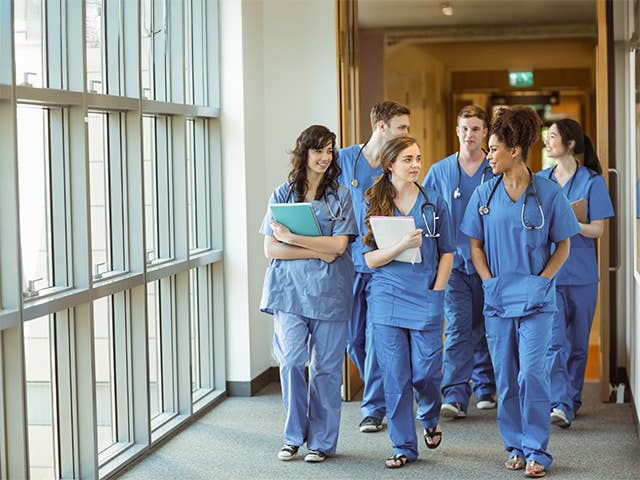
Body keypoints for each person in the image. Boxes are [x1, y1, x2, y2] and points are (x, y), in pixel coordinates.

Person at [460, 106, 580, 478]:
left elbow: (563, 245)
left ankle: (536, 451)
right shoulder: (484, 192)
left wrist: (543, 281)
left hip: (536, 300)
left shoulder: (547, 192)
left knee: (532, 374)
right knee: (507, 377)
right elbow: (475, 245)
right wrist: (487, 281)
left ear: (514, 151)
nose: (487, 154)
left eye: (493, 149)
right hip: (498, 298)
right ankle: (513, 445)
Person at [259, 125, 357, 463]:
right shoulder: (282, 195)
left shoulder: (340, 196)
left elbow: (339, 247)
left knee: (326, 369)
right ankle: (292, 436)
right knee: (289, 362)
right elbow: (272, 250)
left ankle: (321, 442)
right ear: (304, 153)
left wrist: (293, 237)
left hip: (329, 293)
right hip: (289, 293)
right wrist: (317, 248)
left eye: (330, 151)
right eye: (319, 151)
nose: (325, 158)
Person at [362, 136, 454, 468]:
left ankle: (429, 416)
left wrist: (437, 292)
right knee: (395, 376)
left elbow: (447, 253)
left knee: (427, 373)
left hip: (426, 296)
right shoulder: (372, 201)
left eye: (418, 158)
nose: (416, 165)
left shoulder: (435, 203)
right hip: (387, 297)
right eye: (407, 160)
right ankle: (403, 446)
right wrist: (401, 245)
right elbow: (370, 260)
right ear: (390, 165)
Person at [338, 101, 411, 432]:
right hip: (349, 263)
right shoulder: (344, 159)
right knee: (354, 339)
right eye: (402, 128)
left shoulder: (395, 164)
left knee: (377, 335)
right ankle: (387, 387)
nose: (407, 134)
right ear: (381, 127)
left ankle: (374, 407)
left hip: (382, 263)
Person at [537, 119, 614, 428]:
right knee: (554, 341)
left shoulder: (592, 182)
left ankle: (571, 399)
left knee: (578, 344)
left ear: (569, 143)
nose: (547, 142)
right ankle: (560, 403)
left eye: (552, 137)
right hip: (551, 274)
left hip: (582, 276)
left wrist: (568, 222)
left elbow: (597, 230)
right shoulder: (541, 181)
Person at [422, 105, 497, 419]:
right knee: (457, 327)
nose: (470, 135)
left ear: (485, 133)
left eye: (476, 129)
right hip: (453, 264)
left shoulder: (495, 169)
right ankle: (454, 393)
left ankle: (485, 386)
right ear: (457, 131)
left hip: (490, 263)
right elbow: (424, 210)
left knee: (487, 325)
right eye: (465, 128)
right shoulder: (439, 172)